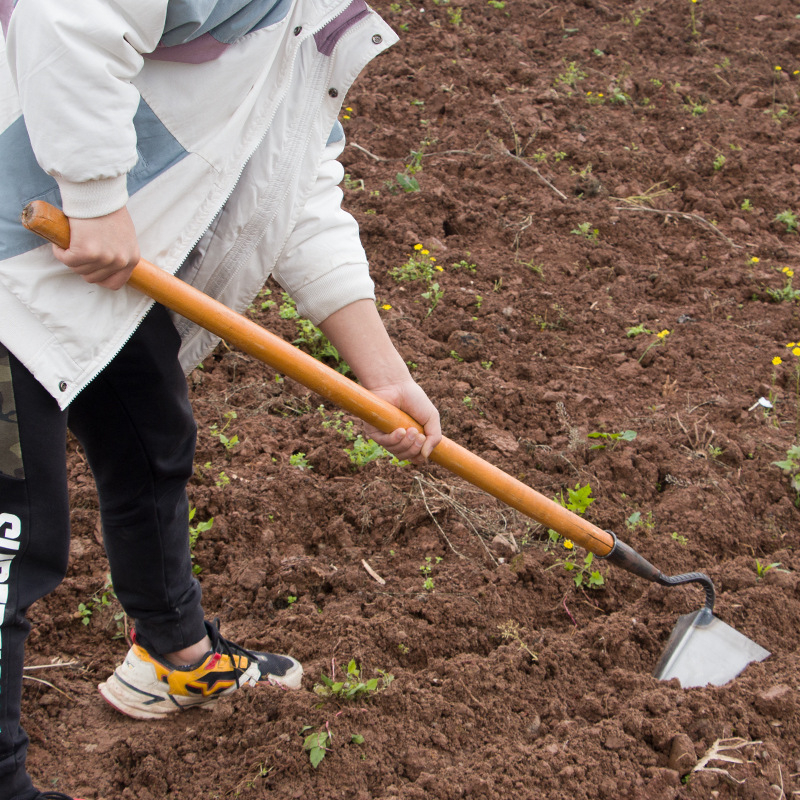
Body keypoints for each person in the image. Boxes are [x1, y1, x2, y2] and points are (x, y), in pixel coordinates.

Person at [0, 2, 442, 798]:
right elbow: (69, 13)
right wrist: (95, 195)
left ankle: (173, 655)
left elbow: (294, 184)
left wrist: (381, 373)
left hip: (100, 255)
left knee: (150, 438)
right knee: (12, 537)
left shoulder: (312, 21)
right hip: (26, 244)